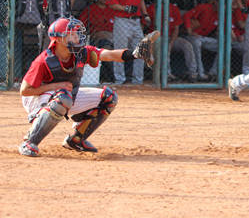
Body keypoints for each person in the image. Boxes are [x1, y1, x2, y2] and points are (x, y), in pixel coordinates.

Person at [18, 16, 159, 157]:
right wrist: (56, 85)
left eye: (76, 33)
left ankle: (76, 139)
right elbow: (25, 91)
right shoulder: (43, 61)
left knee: (108, 97)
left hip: (65, 96)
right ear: (59, 39)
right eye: (72, 34)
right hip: (37, 98)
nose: (77, 37)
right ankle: (29, 141)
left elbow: (109, 55)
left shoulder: (81, 53)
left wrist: (134, 54)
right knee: (63, 98)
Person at [107, 0, 150, 85]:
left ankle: (138, 81)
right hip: (122, 20)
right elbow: (112, 3)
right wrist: (125, 8)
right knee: (120, 51)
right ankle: (119, 80)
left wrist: (145, 14)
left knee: (140, 50)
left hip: (136, 21)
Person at [144, 0, 197, 82]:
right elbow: (146, 25)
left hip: (171, 38)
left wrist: (171, 43)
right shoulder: (152, 8)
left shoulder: (173, 8)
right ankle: (167, 74)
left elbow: (176, 29)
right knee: (164, 47)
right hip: (157, 38)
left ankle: (192, 73)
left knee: (187, 45)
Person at [78, 0, 117, 82]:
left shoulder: (112, 9)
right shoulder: (90, 9)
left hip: (115, 37)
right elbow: (80, 26)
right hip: (97, 38)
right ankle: (111, 78)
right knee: (106, 45)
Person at [182, 0, 219, 82]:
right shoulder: (205, 7)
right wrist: (189, 31)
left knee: (224, 46)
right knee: (196, 42)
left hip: (204, 38)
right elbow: (186, 16)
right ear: (215, 2)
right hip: (191, 37)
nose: (224, 7)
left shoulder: (222, 14)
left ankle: (213, 73)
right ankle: (200, 73)